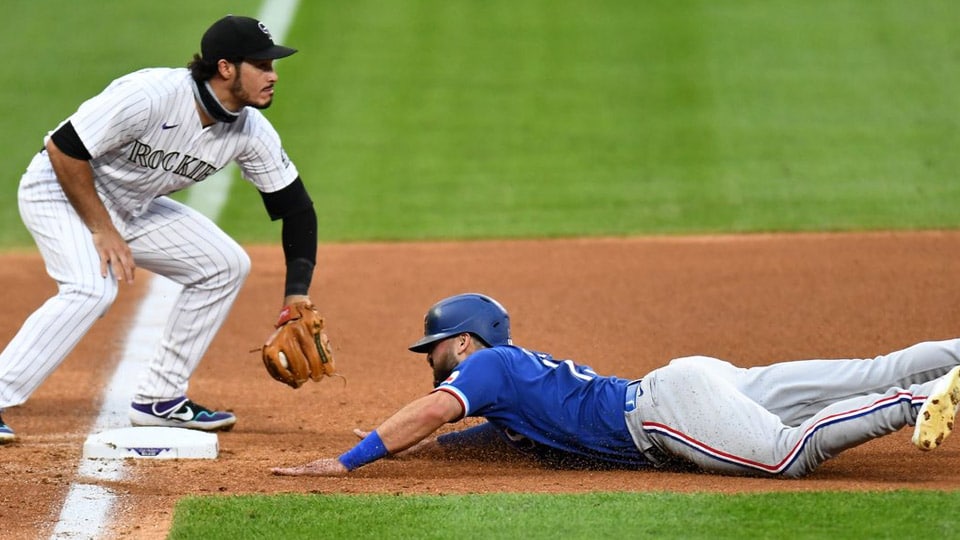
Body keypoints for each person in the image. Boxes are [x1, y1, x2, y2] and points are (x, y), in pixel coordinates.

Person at [0, 15, 319, 444]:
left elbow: (296, 210)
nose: (273, 75)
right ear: (226, 68)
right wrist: (102, 228)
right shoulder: (152, 95)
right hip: (59, 189)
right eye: (262, 65)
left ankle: (160, 400)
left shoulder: (249, 130)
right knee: (90, 289)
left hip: (130, 207)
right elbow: (63, 147)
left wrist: (295, 295)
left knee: (224, 265)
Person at [272, 293, 960, 478]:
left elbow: (431, 411)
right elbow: (479, 438)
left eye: (435, 349)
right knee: (871, 365)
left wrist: (349, 458)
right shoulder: (515, 382)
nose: (433, 361)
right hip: (697, 381)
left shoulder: (481, 368)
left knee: (786, 454)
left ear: (461, 341)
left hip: (666, 411)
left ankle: (909, 406)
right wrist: (430, 453)